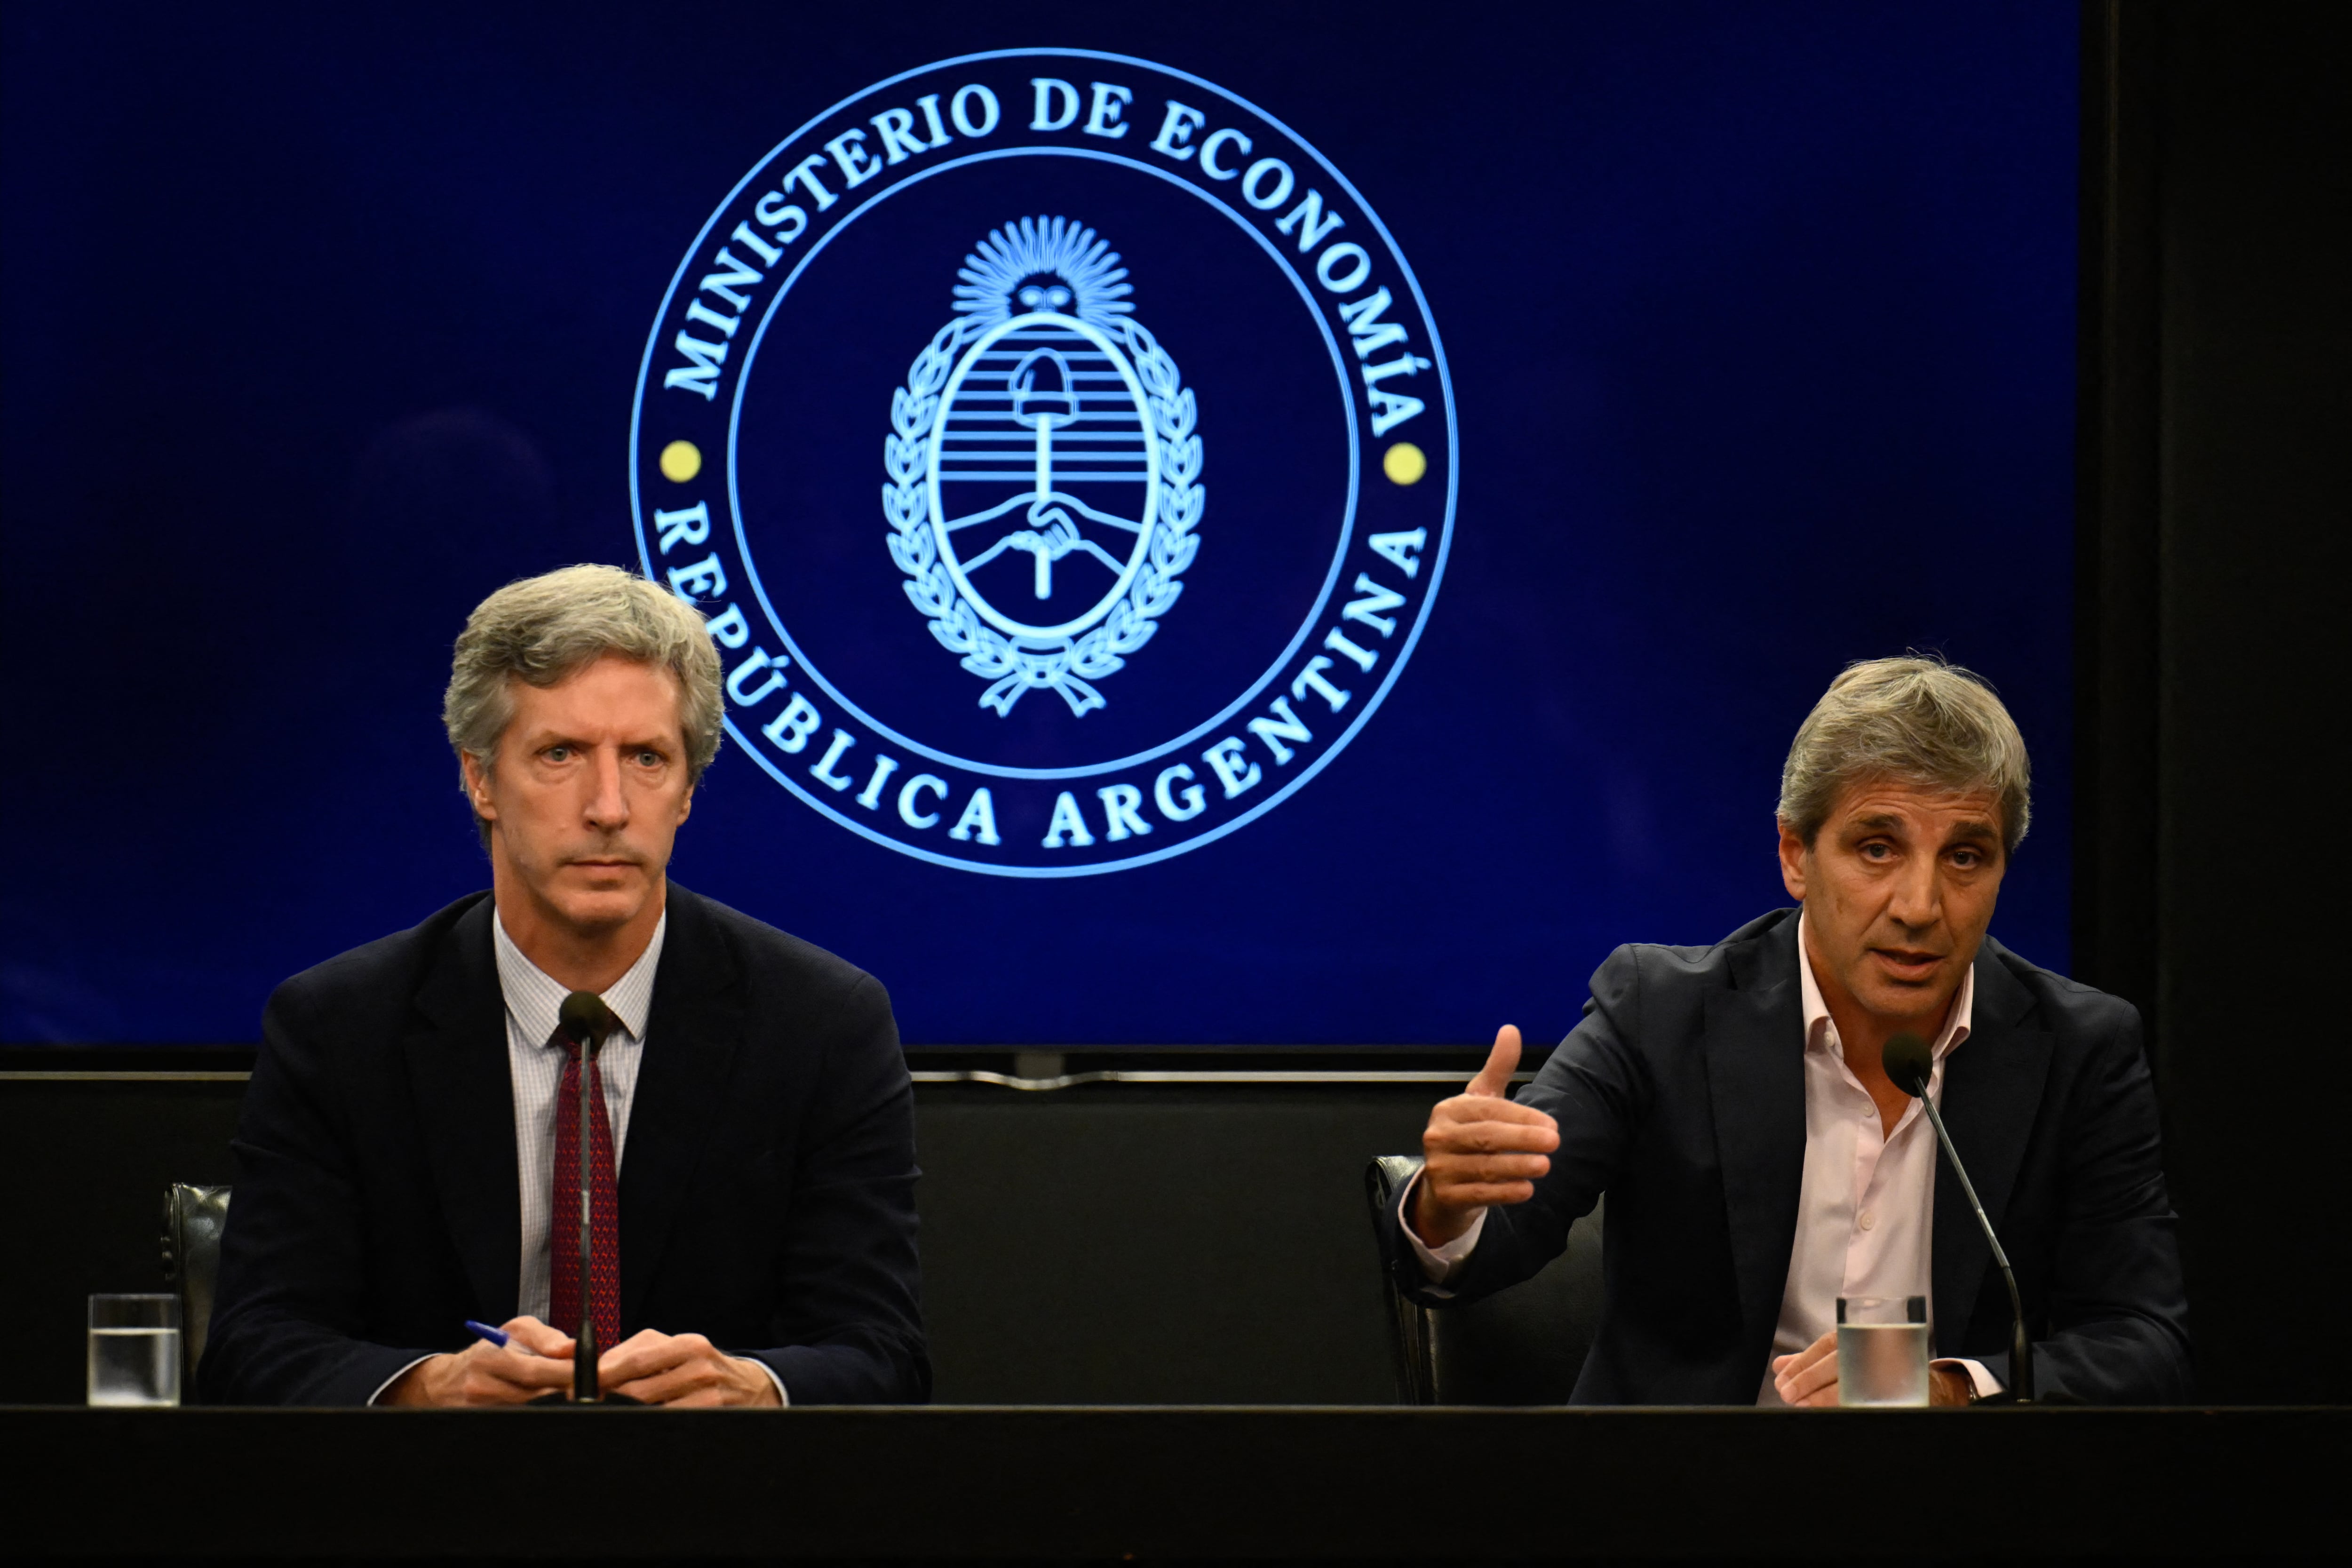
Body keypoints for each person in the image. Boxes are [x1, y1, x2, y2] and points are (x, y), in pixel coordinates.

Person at [201, 565, 925, 1406]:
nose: (609, 806)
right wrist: (429, 1387)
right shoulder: (339, 1028)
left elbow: (884, 1354)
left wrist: (754, 1387)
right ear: (481, 778)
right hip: (435, 1486)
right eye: (561, 754)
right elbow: (253, 1348)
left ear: (687, 792)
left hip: (715, 1485)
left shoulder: (822, 1025)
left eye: (647, 758)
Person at [1397, 656, 2191, 1405]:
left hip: (1941, 1492)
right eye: (1877, 848)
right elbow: (1498, 1237)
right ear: (1795, 855)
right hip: (1676, 1488)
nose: (1920, 906)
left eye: (1965, 857)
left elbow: (2146, 1341)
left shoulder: (2079, 1048)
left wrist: (1943, 1387)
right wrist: (1447, 1205)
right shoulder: (1660, 1013)